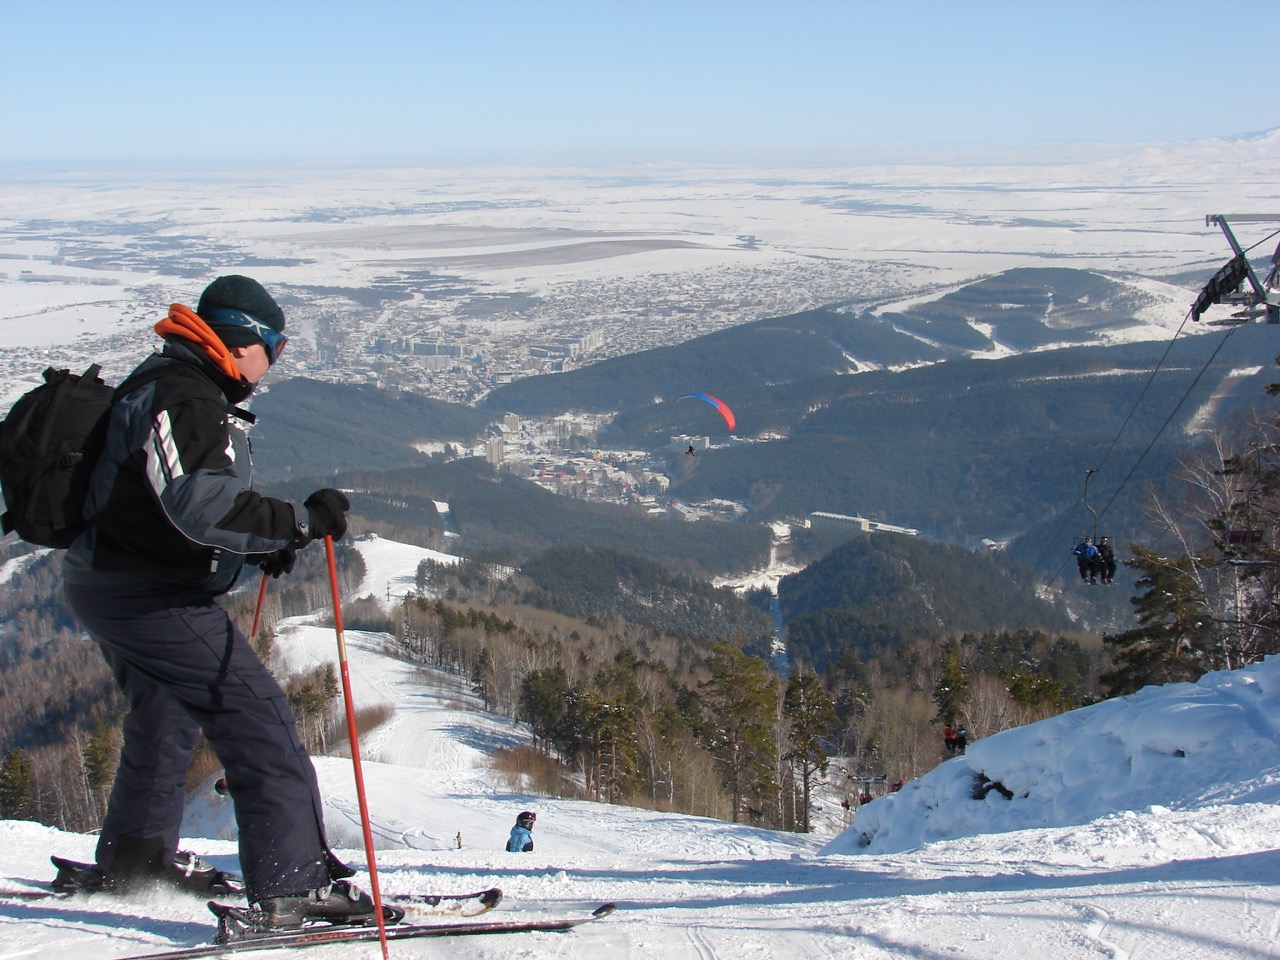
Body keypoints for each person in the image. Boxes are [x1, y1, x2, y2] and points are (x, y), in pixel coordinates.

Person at [61, 276, 373, 932]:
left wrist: (256, 547)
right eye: (276, 348)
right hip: (146, 596)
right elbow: (197, 504)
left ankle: (136, 857)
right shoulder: (184, 394)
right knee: (257, 717)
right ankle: (293, 887)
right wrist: (297, 521)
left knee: (166, 711)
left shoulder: (178, 384)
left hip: (115, 582)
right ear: (243, 341)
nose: (276, 362)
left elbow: (160, 507)